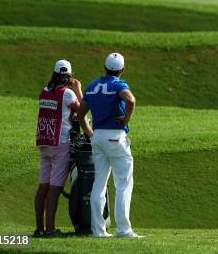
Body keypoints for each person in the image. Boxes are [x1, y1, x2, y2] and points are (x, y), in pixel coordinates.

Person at [76, 53, 142, 238]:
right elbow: (130, 100)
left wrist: (90, 134)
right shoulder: (119, 84)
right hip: (115, 136)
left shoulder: (93, 85)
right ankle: (124, 230)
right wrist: (126, 119)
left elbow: (81, 114)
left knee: (99, 183)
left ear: (105, 67)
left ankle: (98, 231)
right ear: (122, 70)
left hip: (98, 137)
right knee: (123, 183)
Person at [34, 60, 84, 237]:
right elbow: (82, 111)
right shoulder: (68, 94)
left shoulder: (44, 91)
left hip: (44, 141)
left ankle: (39, 228)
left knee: (43, 188)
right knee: (55, 189)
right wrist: (78, 89)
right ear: (69, 76)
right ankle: (50, 229)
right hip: (60, 142)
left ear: (54, 73)